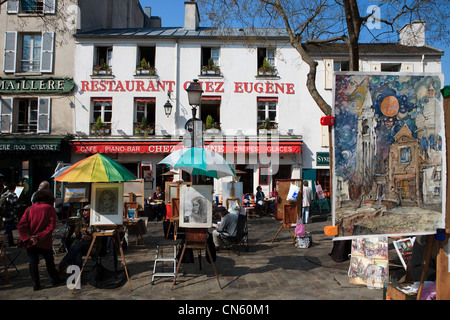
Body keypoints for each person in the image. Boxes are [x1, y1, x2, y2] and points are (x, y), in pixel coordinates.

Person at [17, 189, 63, 290]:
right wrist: (39, 236)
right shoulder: (49, 208)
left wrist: (27, 238)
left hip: (31, 242)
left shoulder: (30, 208)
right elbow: (51, 227)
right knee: (49, 261)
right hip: (44, 241)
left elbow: (21, 225)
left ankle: (35, 283)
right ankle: (54, 278)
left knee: (33, 262)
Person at [58, 204, 96, 273]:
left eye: (86, 210)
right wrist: (77, 234)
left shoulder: (95, 222)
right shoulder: (80, 222)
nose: (84, 212)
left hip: (91, 245)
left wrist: (91, 236)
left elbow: (97, 234)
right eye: (83, 210)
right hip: (80, 245)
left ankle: (64, 262)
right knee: (77, 251)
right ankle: (77, 275)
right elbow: (74, 235)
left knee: (77, 247)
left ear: (91, 212)